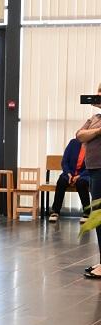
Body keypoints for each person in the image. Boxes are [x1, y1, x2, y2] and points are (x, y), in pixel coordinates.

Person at [77, 83, 101, 279]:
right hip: (93, 170)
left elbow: (85, 135)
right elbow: (79, 135)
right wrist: (98, 131)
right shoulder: (94, 118)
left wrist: (91, 134)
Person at [48, 138, 90, 223]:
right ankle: (55, 211)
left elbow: (91, 165)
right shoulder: (73, 143)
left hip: (83, 174)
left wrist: (79, 176)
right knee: (61, 182)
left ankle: (87, 212)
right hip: (69, 173)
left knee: (81, 183)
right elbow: (64, 161)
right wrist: (68, 173)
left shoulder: (93, 145)